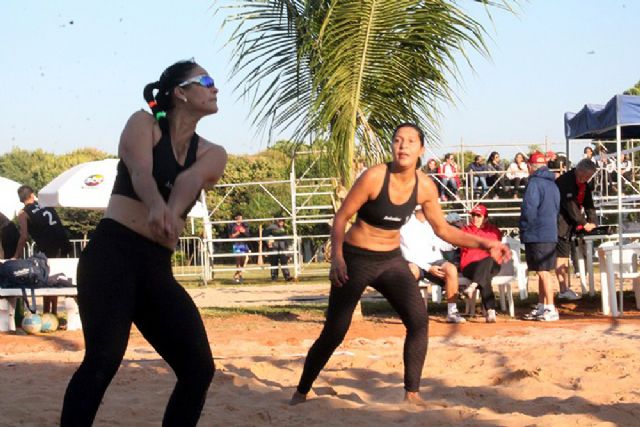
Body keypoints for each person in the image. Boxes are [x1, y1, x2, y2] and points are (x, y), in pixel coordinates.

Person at [290, 123, 510, 406]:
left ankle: (412, 394)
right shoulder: (374, 177)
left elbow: (444, 230)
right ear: (392, 146)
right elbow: (341, 217)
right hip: (356, 259)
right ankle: (301, 391)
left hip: (391, 260)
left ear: (421, 149)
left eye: (410, 141)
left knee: (418, 322)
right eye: (397, 140)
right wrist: (338, 258)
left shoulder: (425, 186)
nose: (403, 146)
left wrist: (486, 243)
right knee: (335, 331)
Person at [61, 59, 227, 426]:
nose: (215, 88)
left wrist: (172, 209)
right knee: (102, 361)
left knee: (198, 369)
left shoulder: (214, 152)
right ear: (180, 93)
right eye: (207, 81)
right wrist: (155, 206)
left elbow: (189, 181)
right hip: (111, 256)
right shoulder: (143, 123)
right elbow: (140, 170)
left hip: (154, 267)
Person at [400, 206, 465, 323]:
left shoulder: (431, 223)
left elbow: (440, 243)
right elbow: (407, 254)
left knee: (451, 269)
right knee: (411, 271)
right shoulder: (406, 225)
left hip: (434, 260)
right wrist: (429, 268)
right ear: (422, 209)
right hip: (415, 262)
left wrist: (455, 242)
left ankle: (452, 312)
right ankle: (409, 313)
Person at [14, 185, 72, 315]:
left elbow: (24, 236)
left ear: (20, 199)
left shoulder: (23, 213)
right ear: (32, 195)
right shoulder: (46, 204)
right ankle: (53, 313)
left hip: (48, 245)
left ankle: (48, 313)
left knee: (47, 278)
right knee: (54, 277)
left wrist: (16, 256)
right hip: (63, 242)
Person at [519, 152, 561, 321]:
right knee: (541, 271)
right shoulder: (553, 184)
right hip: (550, 231)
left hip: (537, 233)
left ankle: (550, 307)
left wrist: (523, 227)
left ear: (531, 166)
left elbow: (529, 209)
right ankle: (543, 306)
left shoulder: (534, 183)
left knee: (543, 272)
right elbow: (557, 209)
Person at [554, 159, 598, 301]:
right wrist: (584, 223)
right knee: (562, 256)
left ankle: (566, 288)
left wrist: (593, 221)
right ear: (579, 171)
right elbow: (570, 206)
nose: (586, 179)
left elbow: (588, 203)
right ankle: (563, 289)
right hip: (560, 222)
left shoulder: (584, 184)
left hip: (571, 224)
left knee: (566, 256)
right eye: (585, 176)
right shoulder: (565, 181)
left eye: (589, 177)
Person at [460, 204, 503, 323]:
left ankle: (473, 286)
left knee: (488, 261)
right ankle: (490, 311)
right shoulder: (465, 230)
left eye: (478, 215)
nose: (475, 218)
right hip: (470, 265)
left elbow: (494, 250)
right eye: (473, 215)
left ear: (485, 218)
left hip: (491, 264)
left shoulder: (494, 231)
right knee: (485, 277)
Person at [229, 213, 250, 283]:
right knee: (238, 260)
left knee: (245, 259)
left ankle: (237, 275)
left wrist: (243, 231)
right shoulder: (232, 226)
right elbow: (231, 236)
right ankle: (239, 276)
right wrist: (237, 233)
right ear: (236, 218)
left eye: (241, 218)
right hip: (237, 244)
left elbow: (248, 234)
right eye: (238, 218)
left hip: (244, 244)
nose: (240, 220)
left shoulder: (244, 225)